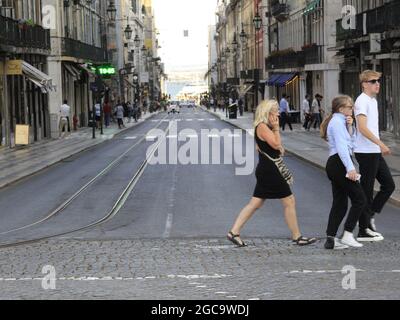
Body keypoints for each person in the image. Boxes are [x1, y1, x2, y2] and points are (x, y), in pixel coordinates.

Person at [227, 100, 317, 247]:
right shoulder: (263, 127)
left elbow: (269, 147)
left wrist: (277, 142)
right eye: (275, 111)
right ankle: (297, 236)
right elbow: (276, 144)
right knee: (289, 201)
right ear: (267, 113)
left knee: (255, 203)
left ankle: (234, 231)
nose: (278, 113)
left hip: (266, 168)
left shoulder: (261, 127)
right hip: (271, 171)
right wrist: (276, 129)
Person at [320, 96, 366, 250]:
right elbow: (341, 147)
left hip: (335, 164)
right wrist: (350, 168)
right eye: (350, 106)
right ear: (341, 109)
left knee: (339, 203)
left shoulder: (341, 121)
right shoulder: (337, 122)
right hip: (339, 164)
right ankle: (347, 234)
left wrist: (351, 127)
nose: (352, 109)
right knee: (360, 199)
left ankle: (331, 239)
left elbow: (351, 143)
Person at [354, 70, 395, 241]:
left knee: (388, 185)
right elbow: (362, 128)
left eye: (378, 81)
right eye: (373, 81)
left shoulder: (372, 100)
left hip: (373, 151)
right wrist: (381, 143)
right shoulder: (362, 101)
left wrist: (378, 146)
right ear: (364, 84)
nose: (377, 84)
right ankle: (363, 229)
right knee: (367, 189)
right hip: (365, 152)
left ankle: (368, 216)